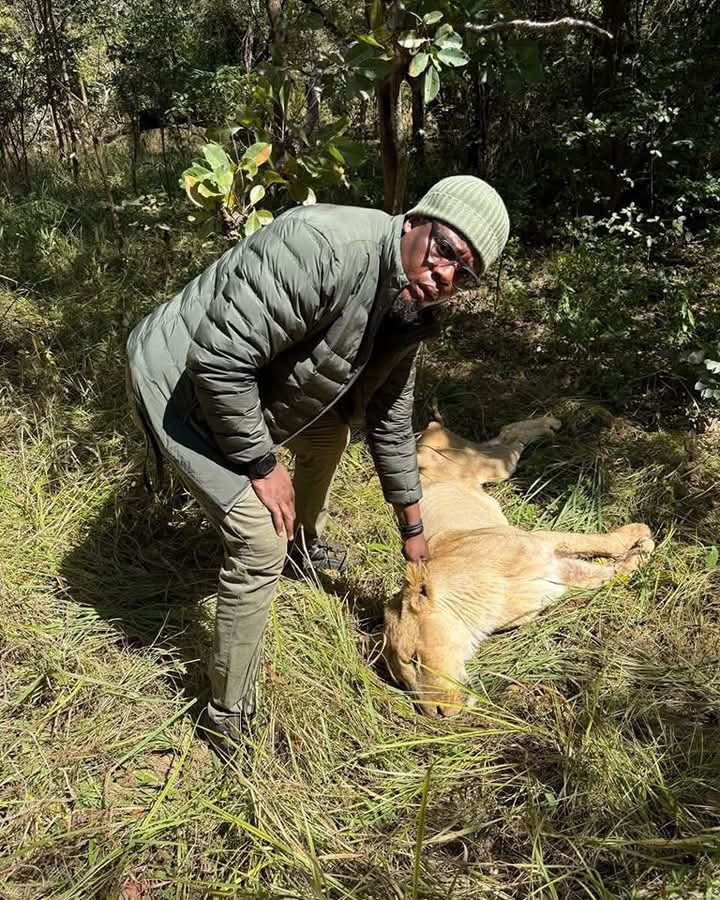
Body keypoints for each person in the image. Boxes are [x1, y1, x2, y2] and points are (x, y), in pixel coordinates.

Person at [126, 175, 509, 740]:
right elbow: (219, 360)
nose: (446, 274)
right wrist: (261, 465)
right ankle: (227, 714)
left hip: (239, 384)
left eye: (465, 272)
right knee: (258, 540)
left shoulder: (406, 305)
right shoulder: (325, 247)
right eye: (446, 249)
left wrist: (412, 525)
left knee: (329, 436)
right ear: (416, 221)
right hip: (177, 382)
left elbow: (389, 415)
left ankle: (304, 547)